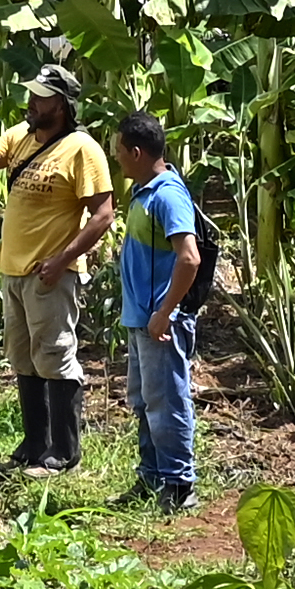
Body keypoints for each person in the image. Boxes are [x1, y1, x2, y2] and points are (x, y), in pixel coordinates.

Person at [0, 62, 113, 474]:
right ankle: (33, 445)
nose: (31, 102)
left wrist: (63, 259)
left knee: (55, 357)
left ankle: (64, 452)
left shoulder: (82, 149)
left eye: (41, 96)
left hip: (51, 273)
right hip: (13, 271)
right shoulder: (20, 136)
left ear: (61, 105)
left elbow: (103, 215)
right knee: (24, 359)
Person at [110, 104, 209, 507]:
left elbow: (190, 258)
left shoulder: (168, 196)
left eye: (119, 149)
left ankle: (178, 485)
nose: (115, 156)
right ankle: (152, 478)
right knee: (146, 402)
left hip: (160, 320)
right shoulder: (143, 192)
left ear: (136, 153)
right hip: (143, 318)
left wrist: (164, 312)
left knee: (167, 401)